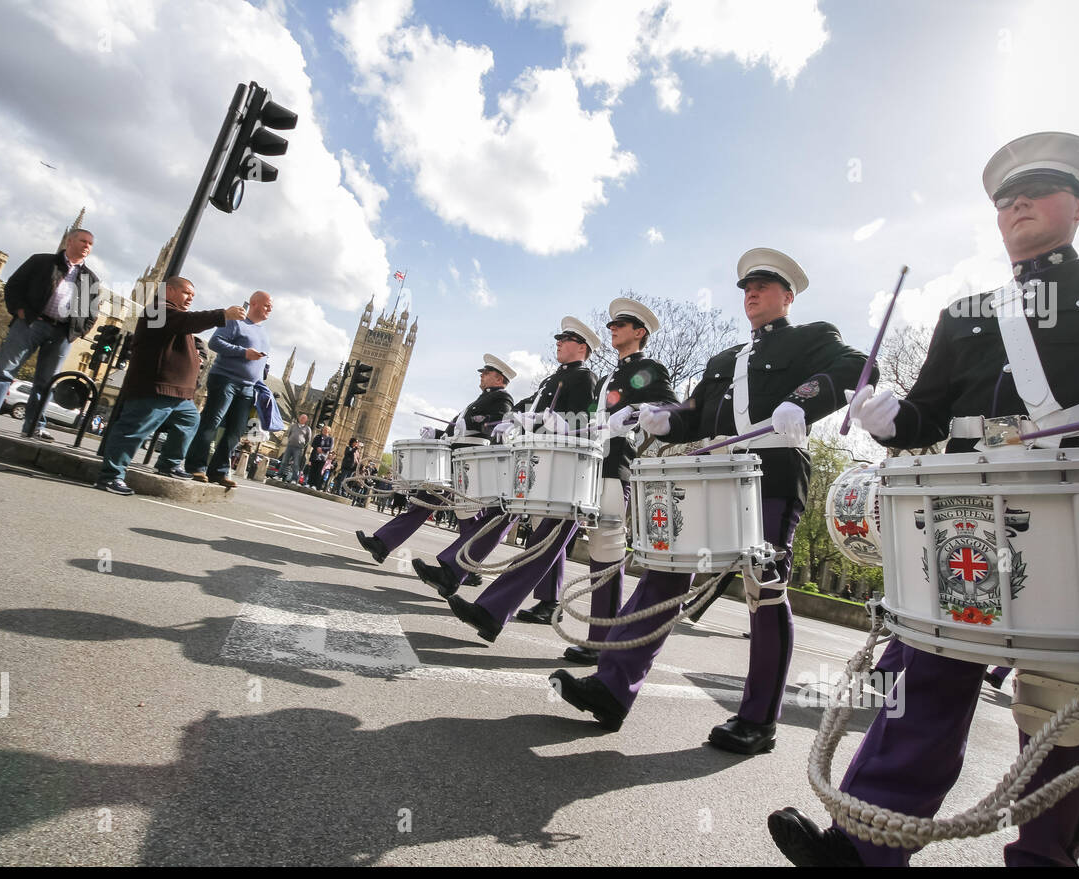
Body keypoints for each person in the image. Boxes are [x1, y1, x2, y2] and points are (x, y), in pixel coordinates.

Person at [769, 131, 1079, 867]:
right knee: (931, 665)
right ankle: (866, 845)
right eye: (1006, 197)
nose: (1019, 204)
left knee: (1060, 699)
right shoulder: (968, 312)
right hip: (965, 505)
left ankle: (1043, 869)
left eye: (1039, 190)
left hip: (1077, 506)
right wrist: (890, 420)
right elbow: (928, 417)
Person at [549, 251, 870, 755]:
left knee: (763, 589)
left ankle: (758, 719)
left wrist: (804, 402)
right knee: (666, 573)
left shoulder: (812, 338)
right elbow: (695, 415)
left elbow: (856, 366)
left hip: (774, 471)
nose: (752, 294)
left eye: (764, 287)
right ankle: (612, 687)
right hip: (715, 474)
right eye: (747, 287)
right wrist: (660, 419)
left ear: (788, 297)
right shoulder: (725, 360)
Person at [441, 316, 602, 638]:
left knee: (542, 536)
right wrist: (513, 421)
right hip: (540, 459)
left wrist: (560, 424)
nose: (558, 342)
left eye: (565, 339)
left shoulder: (585, 378)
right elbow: (527, 410)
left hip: (562, 466)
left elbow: (585, 421)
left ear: (581, 347)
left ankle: (485, 601)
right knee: (544, 535)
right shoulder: (554, 379)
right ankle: (543, 602)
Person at [356, 355, 516, 570]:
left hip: (467, 463)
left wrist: (480, 423)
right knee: (433, 506)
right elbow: (458, 430)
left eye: (486, 373)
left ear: (499, 378)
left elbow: (495, 427)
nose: (482, 375)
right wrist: (438, 432)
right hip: (453, 459)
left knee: (463, 514)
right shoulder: (480, 399)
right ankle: (383, 543)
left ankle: (464, 566)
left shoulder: (502, 399)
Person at [94, 278, 245, 495]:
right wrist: (222, 315)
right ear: (170, 290)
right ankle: (110, 476)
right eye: (186, 293)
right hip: (155, 386)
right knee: (133, 431)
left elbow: (188, 334)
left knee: (189, 421)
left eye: (193, 295)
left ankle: (169, 464)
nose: (190, 298)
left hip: (179, 392)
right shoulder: (157, 310)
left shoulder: (174, 317)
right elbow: (185, 322)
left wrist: (198, 355)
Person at [0, 228, 100, 440]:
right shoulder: (42, 262)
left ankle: (34, 426)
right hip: (31, 323)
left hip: (62, 333)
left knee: (46, 382)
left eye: (90, 244)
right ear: (69, 241)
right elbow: (14, 285)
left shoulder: (90, 279)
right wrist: (20, 311)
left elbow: (92, 313)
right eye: (83, 241)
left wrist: (76, 332)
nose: (87, 246)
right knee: (4, 371)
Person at [186, 291, 272, 488]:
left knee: (236, 430)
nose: (269, 309)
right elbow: (215, 343)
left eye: (271, 307)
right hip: (226, 379)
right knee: (211, 422)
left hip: (248, 387)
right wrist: (244, 353)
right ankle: (195, 466)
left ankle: (219, 471)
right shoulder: (236, 321)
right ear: (254, 303)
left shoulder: (264, 333)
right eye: (266, 305)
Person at [281, 414, 312, 483]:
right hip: (290, 446)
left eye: (304, 418)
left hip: (298, 448)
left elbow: (308, 439)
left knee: (296, 464)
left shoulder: (307, 429)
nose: (302, 419)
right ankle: (279, 475)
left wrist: (302, 445)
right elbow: (289, 434)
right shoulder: (293, 425)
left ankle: (294, 479)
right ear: (299, 418)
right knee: (284, 461)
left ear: (306, 420)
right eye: (301, 417)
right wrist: (290, 441)